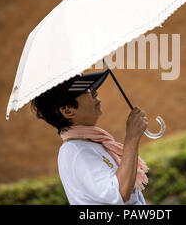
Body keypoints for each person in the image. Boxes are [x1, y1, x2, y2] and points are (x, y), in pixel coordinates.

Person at [31, 70, 149, 205]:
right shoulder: (74, 150)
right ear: (68, 111)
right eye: (87, 90)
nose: (95, 92)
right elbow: (119, 194)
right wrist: (132, 138)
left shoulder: (90, 144)